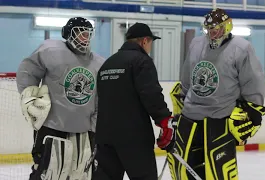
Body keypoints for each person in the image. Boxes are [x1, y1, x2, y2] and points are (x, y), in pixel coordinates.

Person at [168, 8, 265, 180]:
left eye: (217, 29)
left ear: (227, 27)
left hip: (220, 121)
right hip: (189, 119)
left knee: (218, 174)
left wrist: (253, 112)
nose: (213, 34)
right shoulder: (196, 44)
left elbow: (253, 83)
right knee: (182, 173)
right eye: (209, 30)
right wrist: (179, 110)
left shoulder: (242, 48)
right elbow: (186, 79)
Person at [16, 17, 104, 180]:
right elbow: (28, 72)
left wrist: (94, 127)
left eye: (87, 34)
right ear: (68, 34)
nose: (84, 38)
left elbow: (100, 98)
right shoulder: (50, 50)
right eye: (80, 34)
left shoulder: (98, 63)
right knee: (46, 171)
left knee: (79, 173)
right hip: (52, 127)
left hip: (83, 131)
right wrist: (31, 100)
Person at [93, 22, 177, 180]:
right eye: (151, 42)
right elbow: (151, 95)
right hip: (134, 138)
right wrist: (164, 120)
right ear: (145, 41)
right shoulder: (141, 61)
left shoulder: (108, 63)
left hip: (105, 136)